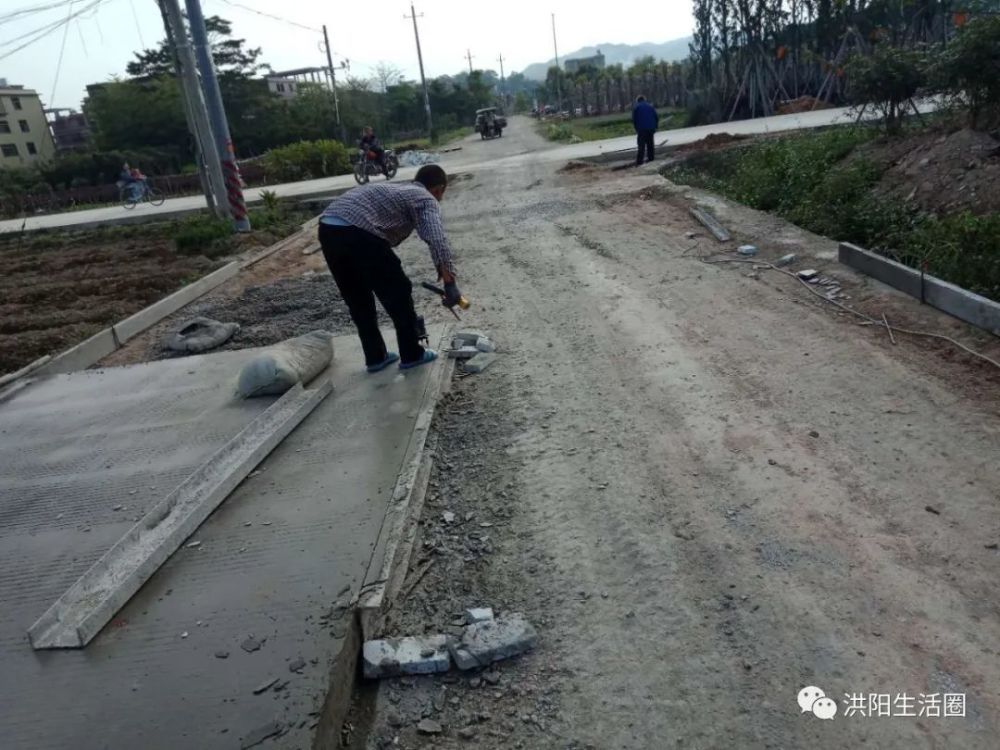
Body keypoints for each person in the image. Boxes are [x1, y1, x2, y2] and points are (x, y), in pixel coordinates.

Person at [317, 164, 462, 372]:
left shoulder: (397, 190)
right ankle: (412, 354)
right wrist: (450, 283)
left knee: (358, 297)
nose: (439, 199)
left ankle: (376, 357)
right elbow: (436, 238)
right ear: (438, 189)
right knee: (399, 291)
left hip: (328, 228)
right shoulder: (425, 198)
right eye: (441, 194)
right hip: (358, 230)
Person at [632, 95, 659, 166]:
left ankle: (639, 161)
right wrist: (655, 127)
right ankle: (651, 159)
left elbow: (634, 120)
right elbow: (656, 117)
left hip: (642, 129)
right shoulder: (650, 106)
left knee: (641, 146)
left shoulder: (636, 107)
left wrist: (636, 129)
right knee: (650, 144)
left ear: (638, 100)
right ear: (644, 99)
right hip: (651, 129)